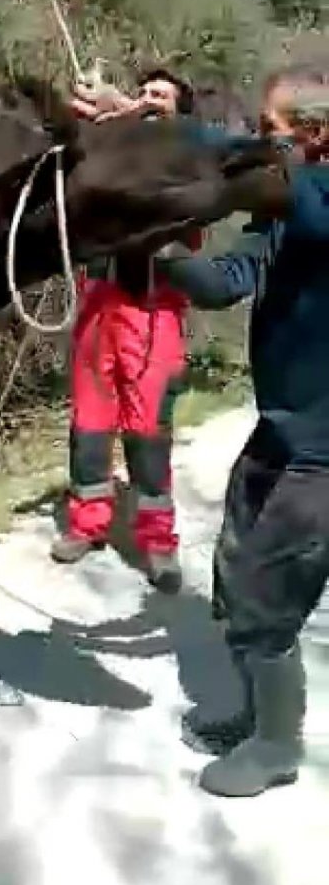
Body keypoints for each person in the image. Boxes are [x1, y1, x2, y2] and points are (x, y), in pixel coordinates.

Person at [153, 60, 329, 797]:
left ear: (317, 137)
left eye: (270, 133)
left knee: (265, 588)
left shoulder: (320, 198)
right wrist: (155, 251)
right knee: (232, 559)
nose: (258, 145)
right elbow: (226, 281)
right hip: (281, 429)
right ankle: (257, 712)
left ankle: (277, 746)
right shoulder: (283, 212)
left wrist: (168, 129)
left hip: (325, 452)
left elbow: (244, 167)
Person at [53, 68, 200, 595]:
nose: (149, 101)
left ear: (182, 112)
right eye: (145, 93)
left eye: (162, 97)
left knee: (148, 431)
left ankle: (158, 541)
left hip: (154, 310)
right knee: (90, 423)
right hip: (101, 303)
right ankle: (87, 524)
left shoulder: (193, 156)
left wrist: (131, 114)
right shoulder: (120, 145)